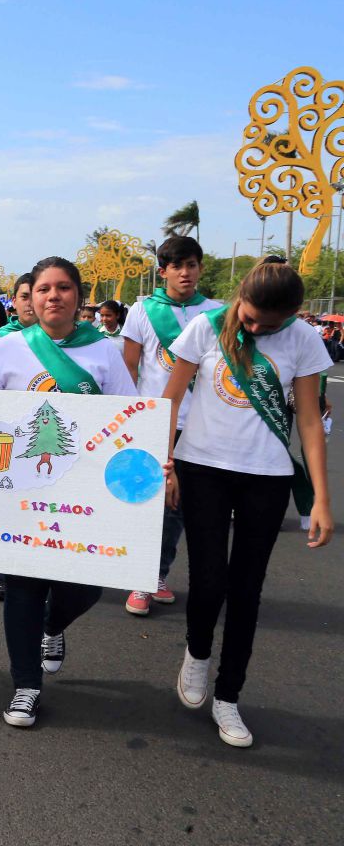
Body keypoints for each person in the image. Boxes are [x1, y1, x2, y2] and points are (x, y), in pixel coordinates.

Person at [161, 258, 331, 747]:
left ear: (292, 315)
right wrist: (166, 464)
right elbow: (171, 399)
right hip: (202, 468)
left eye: (268, 326)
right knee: (208, 579)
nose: (255, 329)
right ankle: (197, 654)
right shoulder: (206, 327)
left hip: (267, 476)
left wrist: (321, 498)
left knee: (246, 589)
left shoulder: (304, 339)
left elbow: (309, 420)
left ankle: (229, 695)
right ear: (241, 297)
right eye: (250, 318)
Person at [0, 256, 138, 729]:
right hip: (19, 490)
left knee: (85, 586)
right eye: (43, 288)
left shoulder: (103, 350)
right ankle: (25, 685)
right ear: (29, 297)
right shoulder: (5, 348)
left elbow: (132, 415)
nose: (53, 296)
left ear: (79, 296)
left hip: (86, 489)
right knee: (22, 586)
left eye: (63, 287)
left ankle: (53, 624)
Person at [119, 235, 221, 616]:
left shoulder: (216, 311)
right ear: (163, 271)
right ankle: (139, 577)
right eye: (177, 266)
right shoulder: (142, 310)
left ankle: (157, 574)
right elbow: (130, 367)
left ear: (200, 269)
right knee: (151, 502)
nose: (185, 273)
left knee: (178, 508)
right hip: (156, 420)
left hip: (202, 424)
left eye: (191, 265)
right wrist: (129, 419)